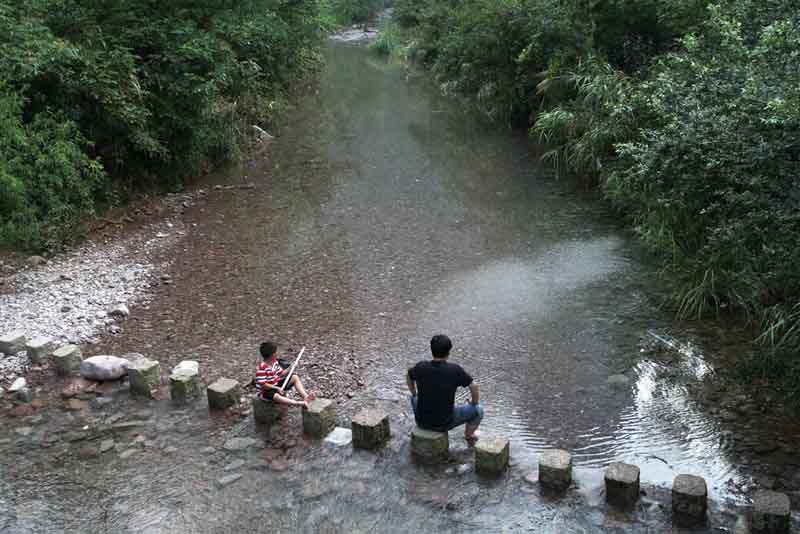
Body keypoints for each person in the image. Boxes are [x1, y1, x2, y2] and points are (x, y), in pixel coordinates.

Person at [406, 334, 483, 445]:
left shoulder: (420, 366)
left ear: (431, 349)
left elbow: (408, 376)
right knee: (478, 410)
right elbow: (474, 386)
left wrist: (414, 393)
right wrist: (474, 403)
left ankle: (421, 409)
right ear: (448, 352)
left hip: (421, 421)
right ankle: (469, 436)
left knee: (413, 398)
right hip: (444, 423)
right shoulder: (455, 370)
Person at [255, 341, 315, 407]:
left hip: (275, 385)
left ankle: (305, 396)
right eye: (276, 352)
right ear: (273, 355)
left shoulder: (274, 362)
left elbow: (281, 373)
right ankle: (298, 403)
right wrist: (277, 388)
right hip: (266, 391)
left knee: (294, 377)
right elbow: (264, 385)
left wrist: (291, 367)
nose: (277, 353)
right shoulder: (262, 368)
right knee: (276, 396)